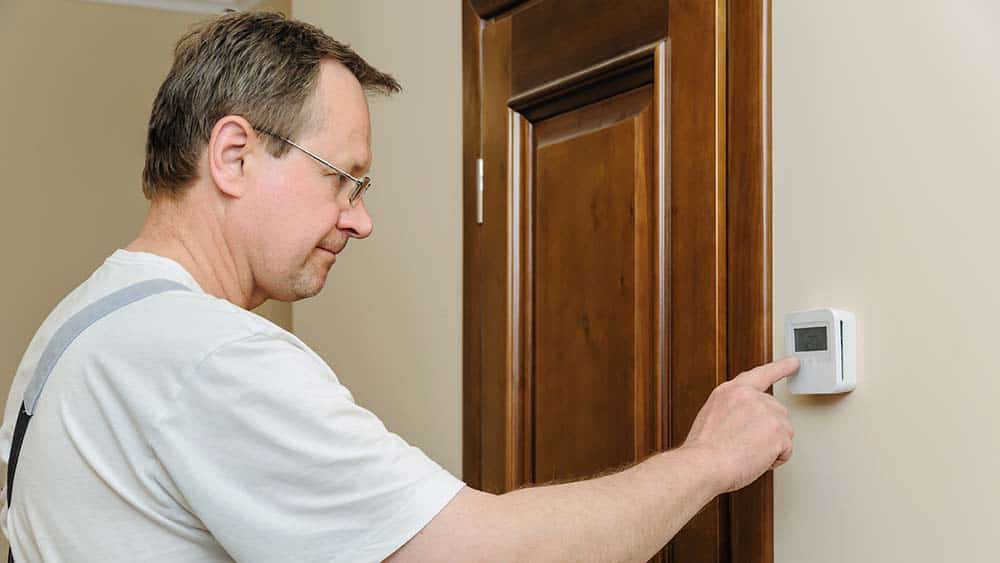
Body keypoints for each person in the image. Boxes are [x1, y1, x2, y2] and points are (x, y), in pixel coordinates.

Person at [0, 11, 796, 562]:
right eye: (343, 180)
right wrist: (709, 461)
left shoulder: (75, 329)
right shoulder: (208, 358)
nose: (359, 220)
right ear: (234, 154)